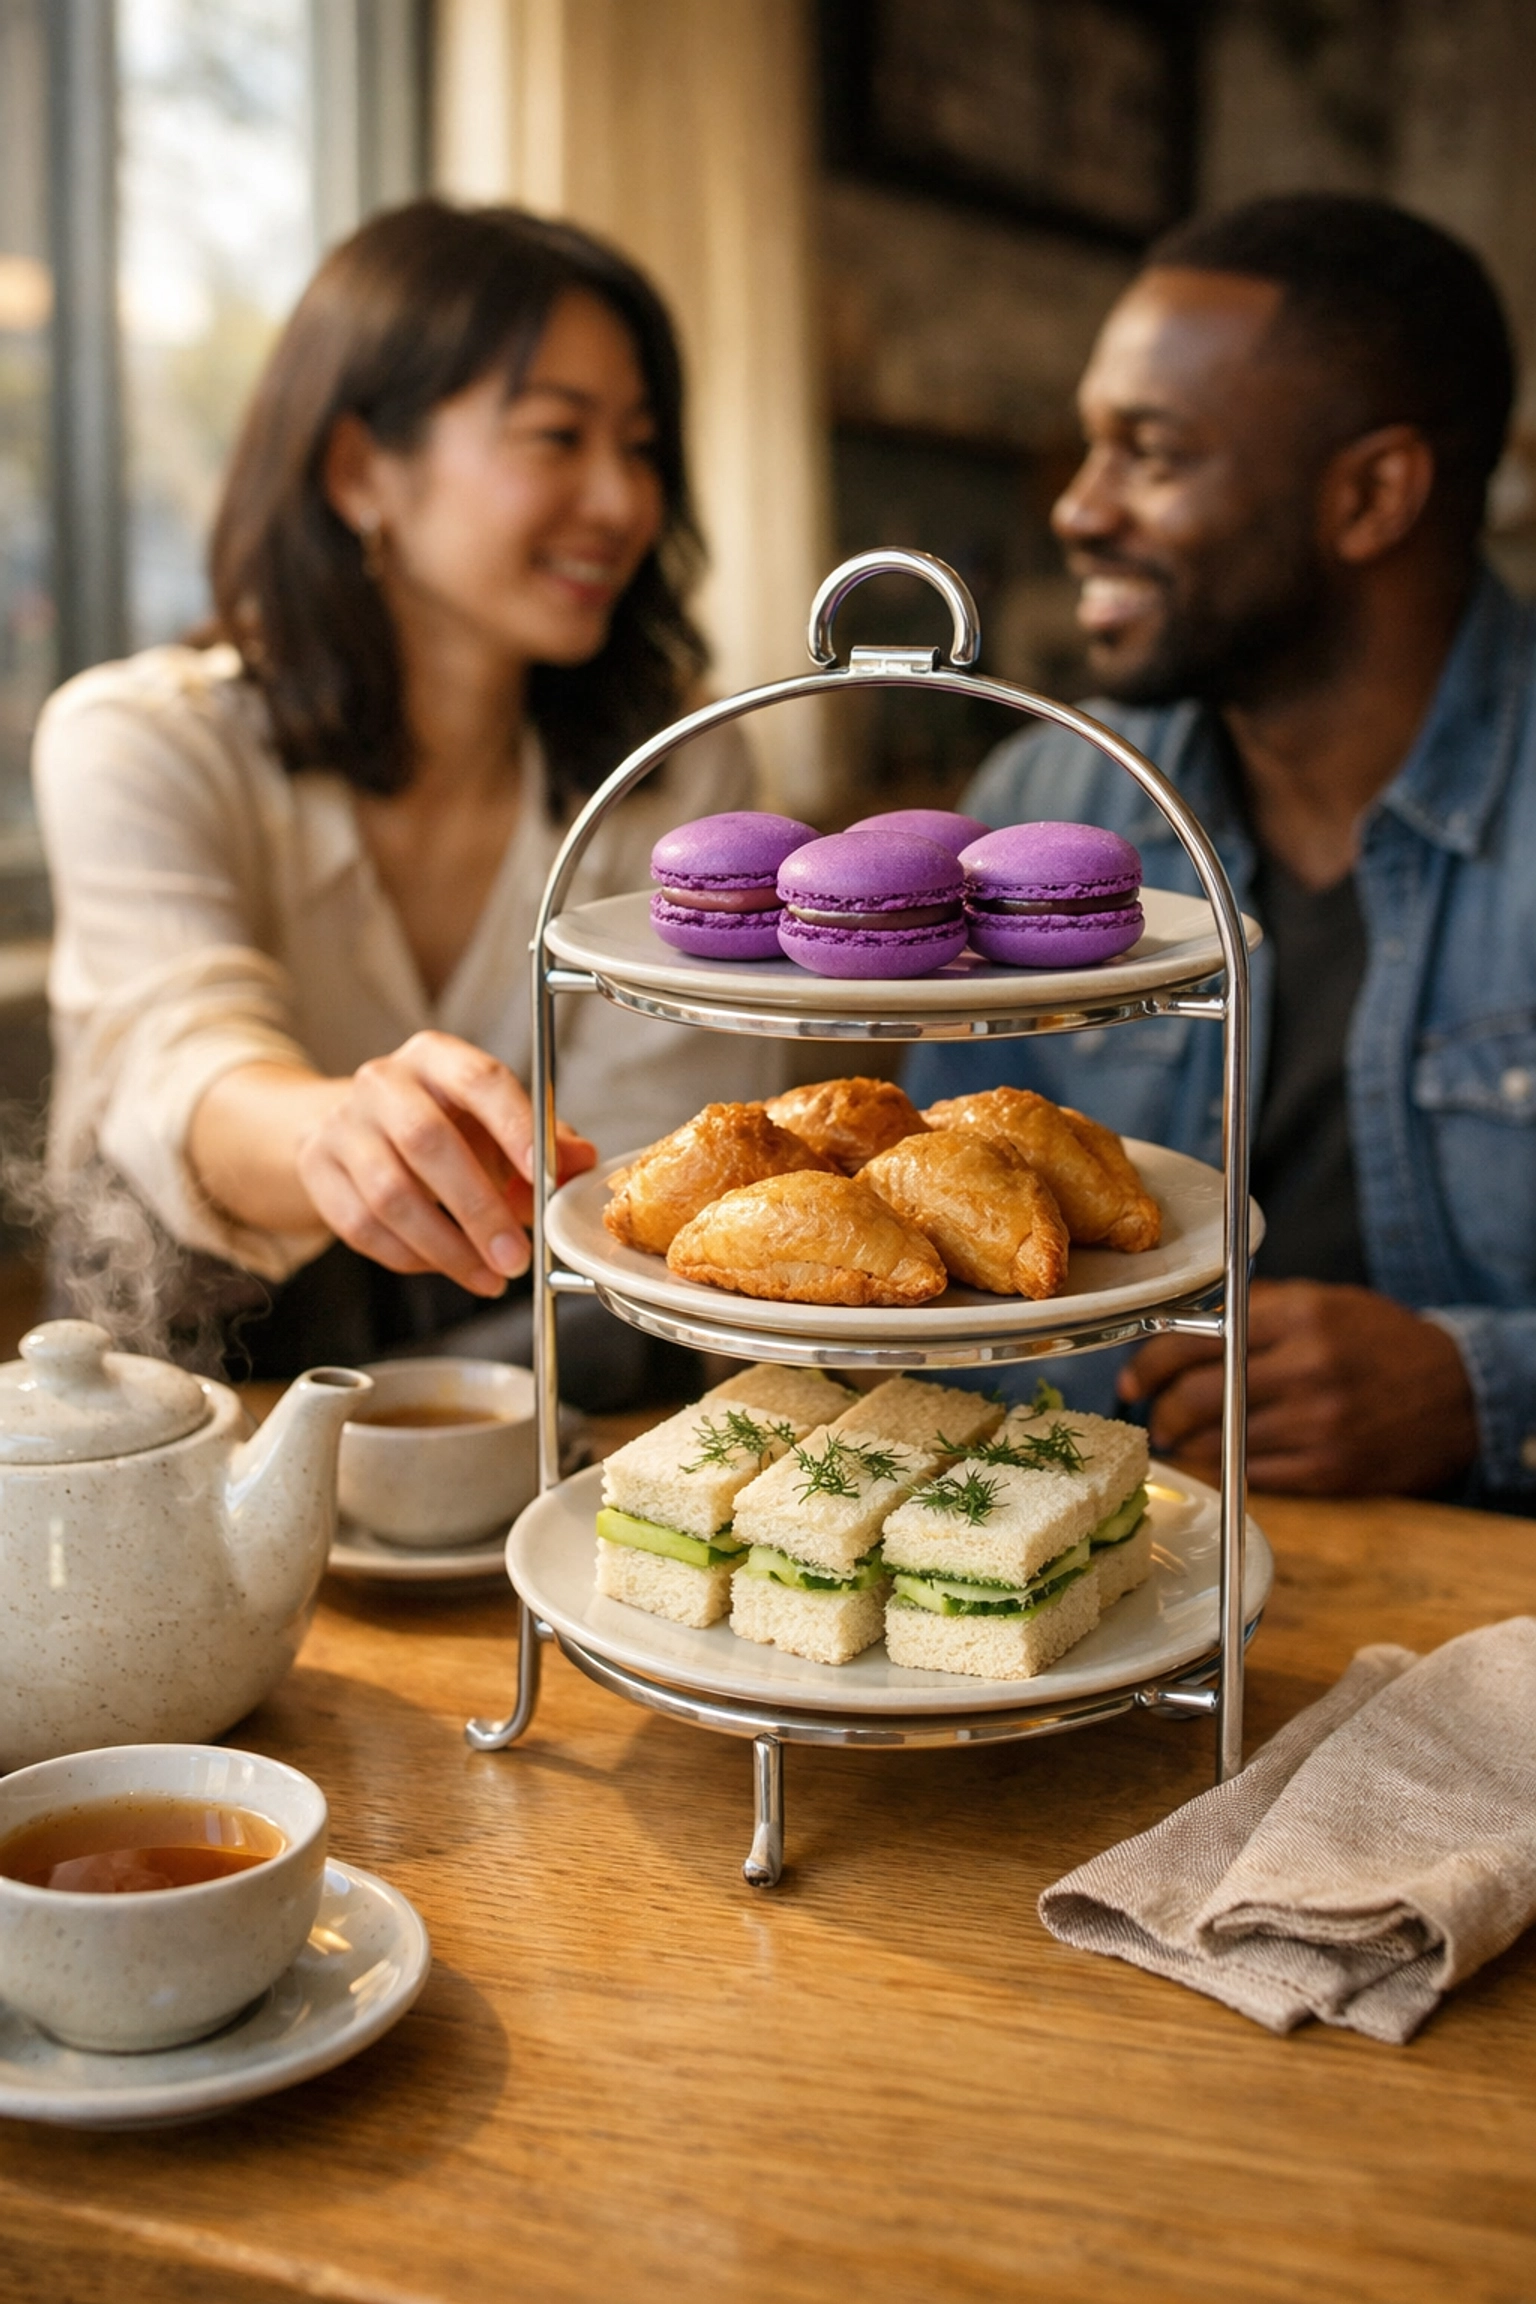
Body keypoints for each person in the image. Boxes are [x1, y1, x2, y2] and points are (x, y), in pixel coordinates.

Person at [34, 200, 784, 1400]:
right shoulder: (144, 739)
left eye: (641, 447)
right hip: (199, 1393)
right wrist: (336, 1134)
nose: (620, 502)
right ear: (358, 471)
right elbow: (175, 1055)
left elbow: (645, 1182)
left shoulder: (678, 776)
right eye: (557, 436)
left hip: (559, 1385)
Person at [909, 193, 1536, 1507]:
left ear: (1370, 495)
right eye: (1092, 449)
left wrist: (1479, 1390)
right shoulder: (1042, 807)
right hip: (1091, 1600)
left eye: (1152, 454)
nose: (1079, 510)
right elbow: (931, 1248)